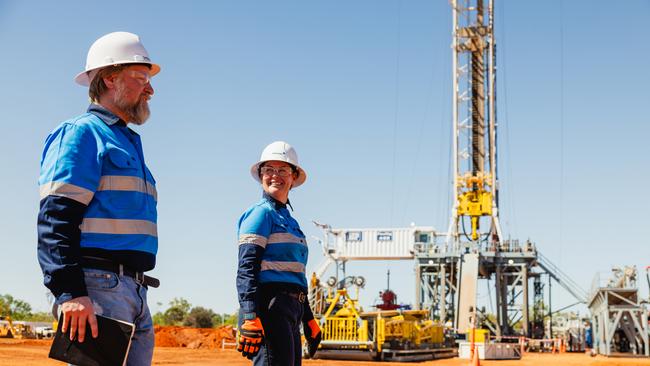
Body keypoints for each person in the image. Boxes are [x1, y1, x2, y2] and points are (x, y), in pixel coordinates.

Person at [37, 31, 161, 365]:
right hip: (97, 288)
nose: (150, 89)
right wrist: (70, 292)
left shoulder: (126, 141)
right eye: (140, 78)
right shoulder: (82, 133)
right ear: (109, 79)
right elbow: (56, 218)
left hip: (134, 289)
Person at [236, 141, 321, 365]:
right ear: (261, 175)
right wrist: (249, 316)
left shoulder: (291, 221)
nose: (275, 176)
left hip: (292, 311)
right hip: (269, 308)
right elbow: (247, 268)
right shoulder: (260, 214)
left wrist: (308, 318)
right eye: (269, 170)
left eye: (283, 170)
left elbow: (296, 276)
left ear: (293, 177)